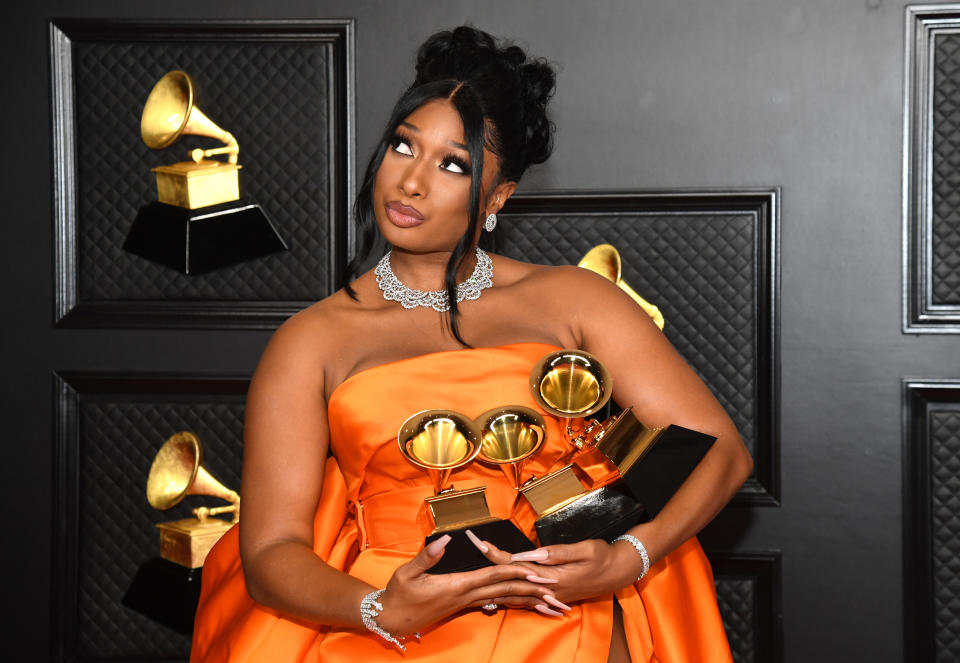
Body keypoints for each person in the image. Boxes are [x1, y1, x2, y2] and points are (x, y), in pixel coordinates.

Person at [190, 26, 753, 663]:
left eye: (452, 164)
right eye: (404, 147)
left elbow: (721, 453)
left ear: (497, 198)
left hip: (565, 611)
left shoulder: (574, 301)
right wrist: (379, 608)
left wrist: (629, 558)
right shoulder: (311, 340)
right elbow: (269, 553)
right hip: (393, 620)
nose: (411, 183)